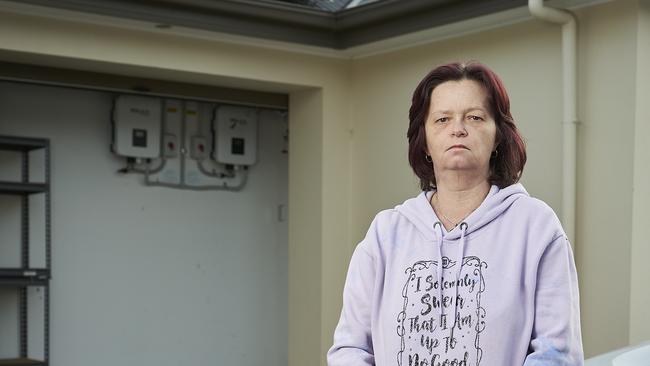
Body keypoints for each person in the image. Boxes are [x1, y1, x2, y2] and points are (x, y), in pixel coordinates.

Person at [327, 61, 583, 366]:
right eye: (442, 119)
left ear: (498, 137)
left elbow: (556, 353)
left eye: (474, 117)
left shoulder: (536, 227)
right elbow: (350, 348)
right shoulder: (386, 234)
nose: (458, 129)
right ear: (424, 142)